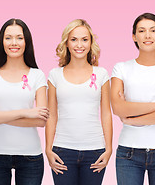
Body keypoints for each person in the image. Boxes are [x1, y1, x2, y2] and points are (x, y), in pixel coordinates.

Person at [111, 13, 155, 185]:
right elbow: (118, 108)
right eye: (142, 31)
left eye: (153, 30)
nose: (148, 35)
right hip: (128, 152)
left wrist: (131, 119)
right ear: (134, 36)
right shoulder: (121, 68)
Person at [0, 18, 49, 185]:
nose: (13, 42)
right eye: (8, 37)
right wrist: (25, 112)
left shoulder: (37, 75)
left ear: (26, 41)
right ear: (1, 41)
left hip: (30, 156)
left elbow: (40, 120)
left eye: (19, 37)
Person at [45, 19, 112, 184]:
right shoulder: (55, 75)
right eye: (74, 39)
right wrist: (48, 149)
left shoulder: (102, 74)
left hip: (95, 151)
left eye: (84, 39)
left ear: (90, 43)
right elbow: (51, 115)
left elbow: (106, 113)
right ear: (66, 43)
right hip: (62, 151)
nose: (79, 45)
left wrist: (109, 149)